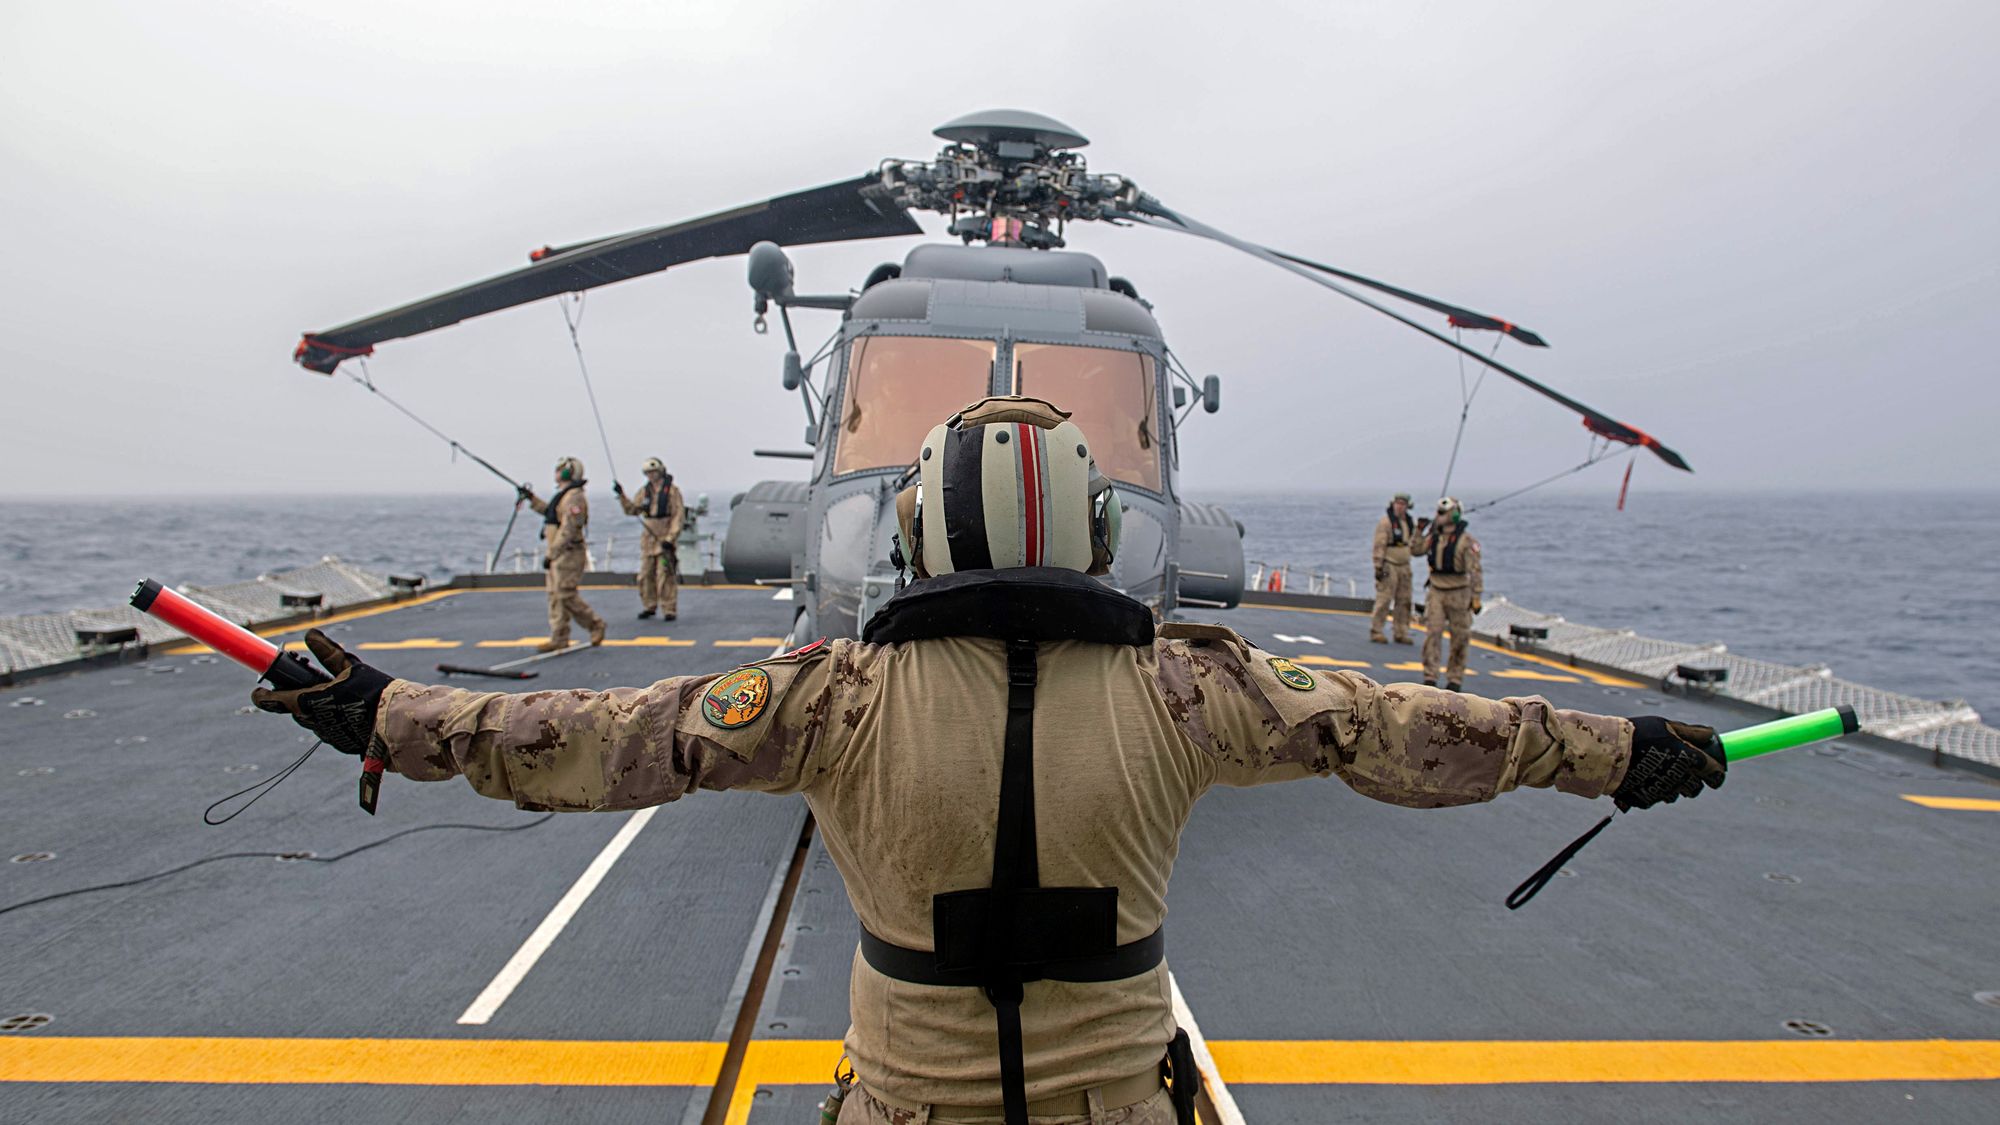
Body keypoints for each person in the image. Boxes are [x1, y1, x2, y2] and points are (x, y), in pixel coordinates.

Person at [252, 397, 1726, 1125]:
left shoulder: (825, 696)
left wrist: (389, 716)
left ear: (914, 537)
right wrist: (1629, 749)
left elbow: (591, 743)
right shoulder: (1192, 689)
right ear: (1094, 536)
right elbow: (1427, 730)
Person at [519, 456, 605, 652]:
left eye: (560, 469)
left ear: (568, 472)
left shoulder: (574, 497)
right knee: (555, 596)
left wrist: (552, 553)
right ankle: (559, 637)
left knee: (565, 594)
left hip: (568, 553)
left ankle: (595, 624)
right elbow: (550, 512)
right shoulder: (564, 495)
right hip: (559, 553)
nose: (556, 472)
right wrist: (531, 498)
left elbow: (569, 529)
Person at [1420, 495, 1481, 691]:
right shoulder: (1433, 537)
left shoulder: (1467, 541)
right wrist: (1418, 531)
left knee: (1460, 637)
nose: (1439, 517)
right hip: (1437, 590)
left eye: (1442, 513)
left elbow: (1475, 570)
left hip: (1459, 592)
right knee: (1433, 634)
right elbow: (1415, 550)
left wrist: (1476, 596)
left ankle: (1455, 678)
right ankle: (1430, 675)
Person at [613, 457, 685, 622]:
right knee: (645, 575)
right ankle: (649, 605)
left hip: (665, 536)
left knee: (665, 574)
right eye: (648, 473)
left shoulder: (673, 492)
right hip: (649, 538)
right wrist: (621, 495)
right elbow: (632, 510)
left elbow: (678, 516)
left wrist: (671, 537)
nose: (651, 476)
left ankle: (669, 608)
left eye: (654, 472)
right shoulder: (644, 492)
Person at [1368, 492, 1419, 645]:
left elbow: (1415, 546)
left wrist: (1422, 533)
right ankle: (1376, 630)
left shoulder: (1409, 523)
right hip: (1389, 565)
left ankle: (1401, 631)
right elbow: (1379, 545)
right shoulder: (1386, 523)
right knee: (1384, 599)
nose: (1399, 506)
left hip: (1404, 566)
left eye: (1403, 504)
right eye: (1397, 503)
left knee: (1404, 600)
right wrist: (1378, 566)